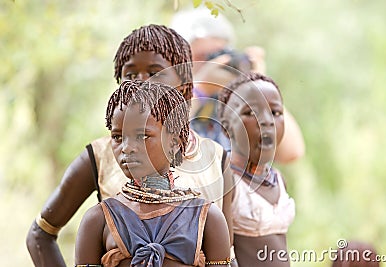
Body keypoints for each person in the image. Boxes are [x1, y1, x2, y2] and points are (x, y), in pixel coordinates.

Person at [26, 24, 234, 267]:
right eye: (131, 75)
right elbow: (40, 234)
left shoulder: (216, 158)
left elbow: (227, 251)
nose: (143, 83)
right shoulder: (100, 156)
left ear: (186, 87)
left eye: (156, 73)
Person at [75, 80, 231, 266]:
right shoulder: (99, 220)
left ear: (174, 143)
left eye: (142, 136)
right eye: (118, 137)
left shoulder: (207, 218)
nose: (127, 148)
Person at [170, 8, 305, 163]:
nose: (212, 63)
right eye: (202, 56)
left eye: (219, 54)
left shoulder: (235, 102)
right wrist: (200, 89)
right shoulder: (158, 97)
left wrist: (260, 88)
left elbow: (291, 152)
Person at [218, 72, 295, 266]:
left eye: (276, 113)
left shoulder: (277, 178)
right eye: (251, 112)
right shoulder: (227, 180)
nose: (267, 121)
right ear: (226, 125)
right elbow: (222, 257)